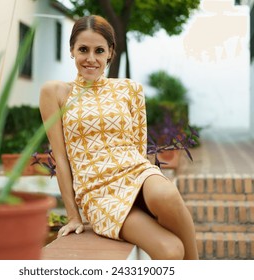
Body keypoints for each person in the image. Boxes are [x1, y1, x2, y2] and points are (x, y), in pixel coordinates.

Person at [39, 15, 198, 260]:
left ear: (110, 53)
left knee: (165, 194)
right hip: (99, 192)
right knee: (170, 251)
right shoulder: (56, 92)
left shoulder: (129, 89)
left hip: (136, 173)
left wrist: (143, 189)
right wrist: (74, 215)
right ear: (71, 50)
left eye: (99, 50)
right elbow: (60, 158)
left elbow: (138, 146)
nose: (90, 58)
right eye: (83, 49)